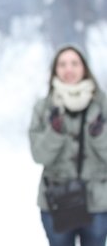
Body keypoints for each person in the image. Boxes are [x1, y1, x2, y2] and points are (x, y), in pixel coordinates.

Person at [29, 45, 107, 246]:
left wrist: (99, 135)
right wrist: (55, 132)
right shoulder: (44, 107)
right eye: (62, 64)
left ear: (84, 68)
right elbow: (39, 155)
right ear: (55, 70)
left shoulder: (103, 104)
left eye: (74, 63)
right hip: (56, 202)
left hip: (97, 201)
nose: (68, 69)